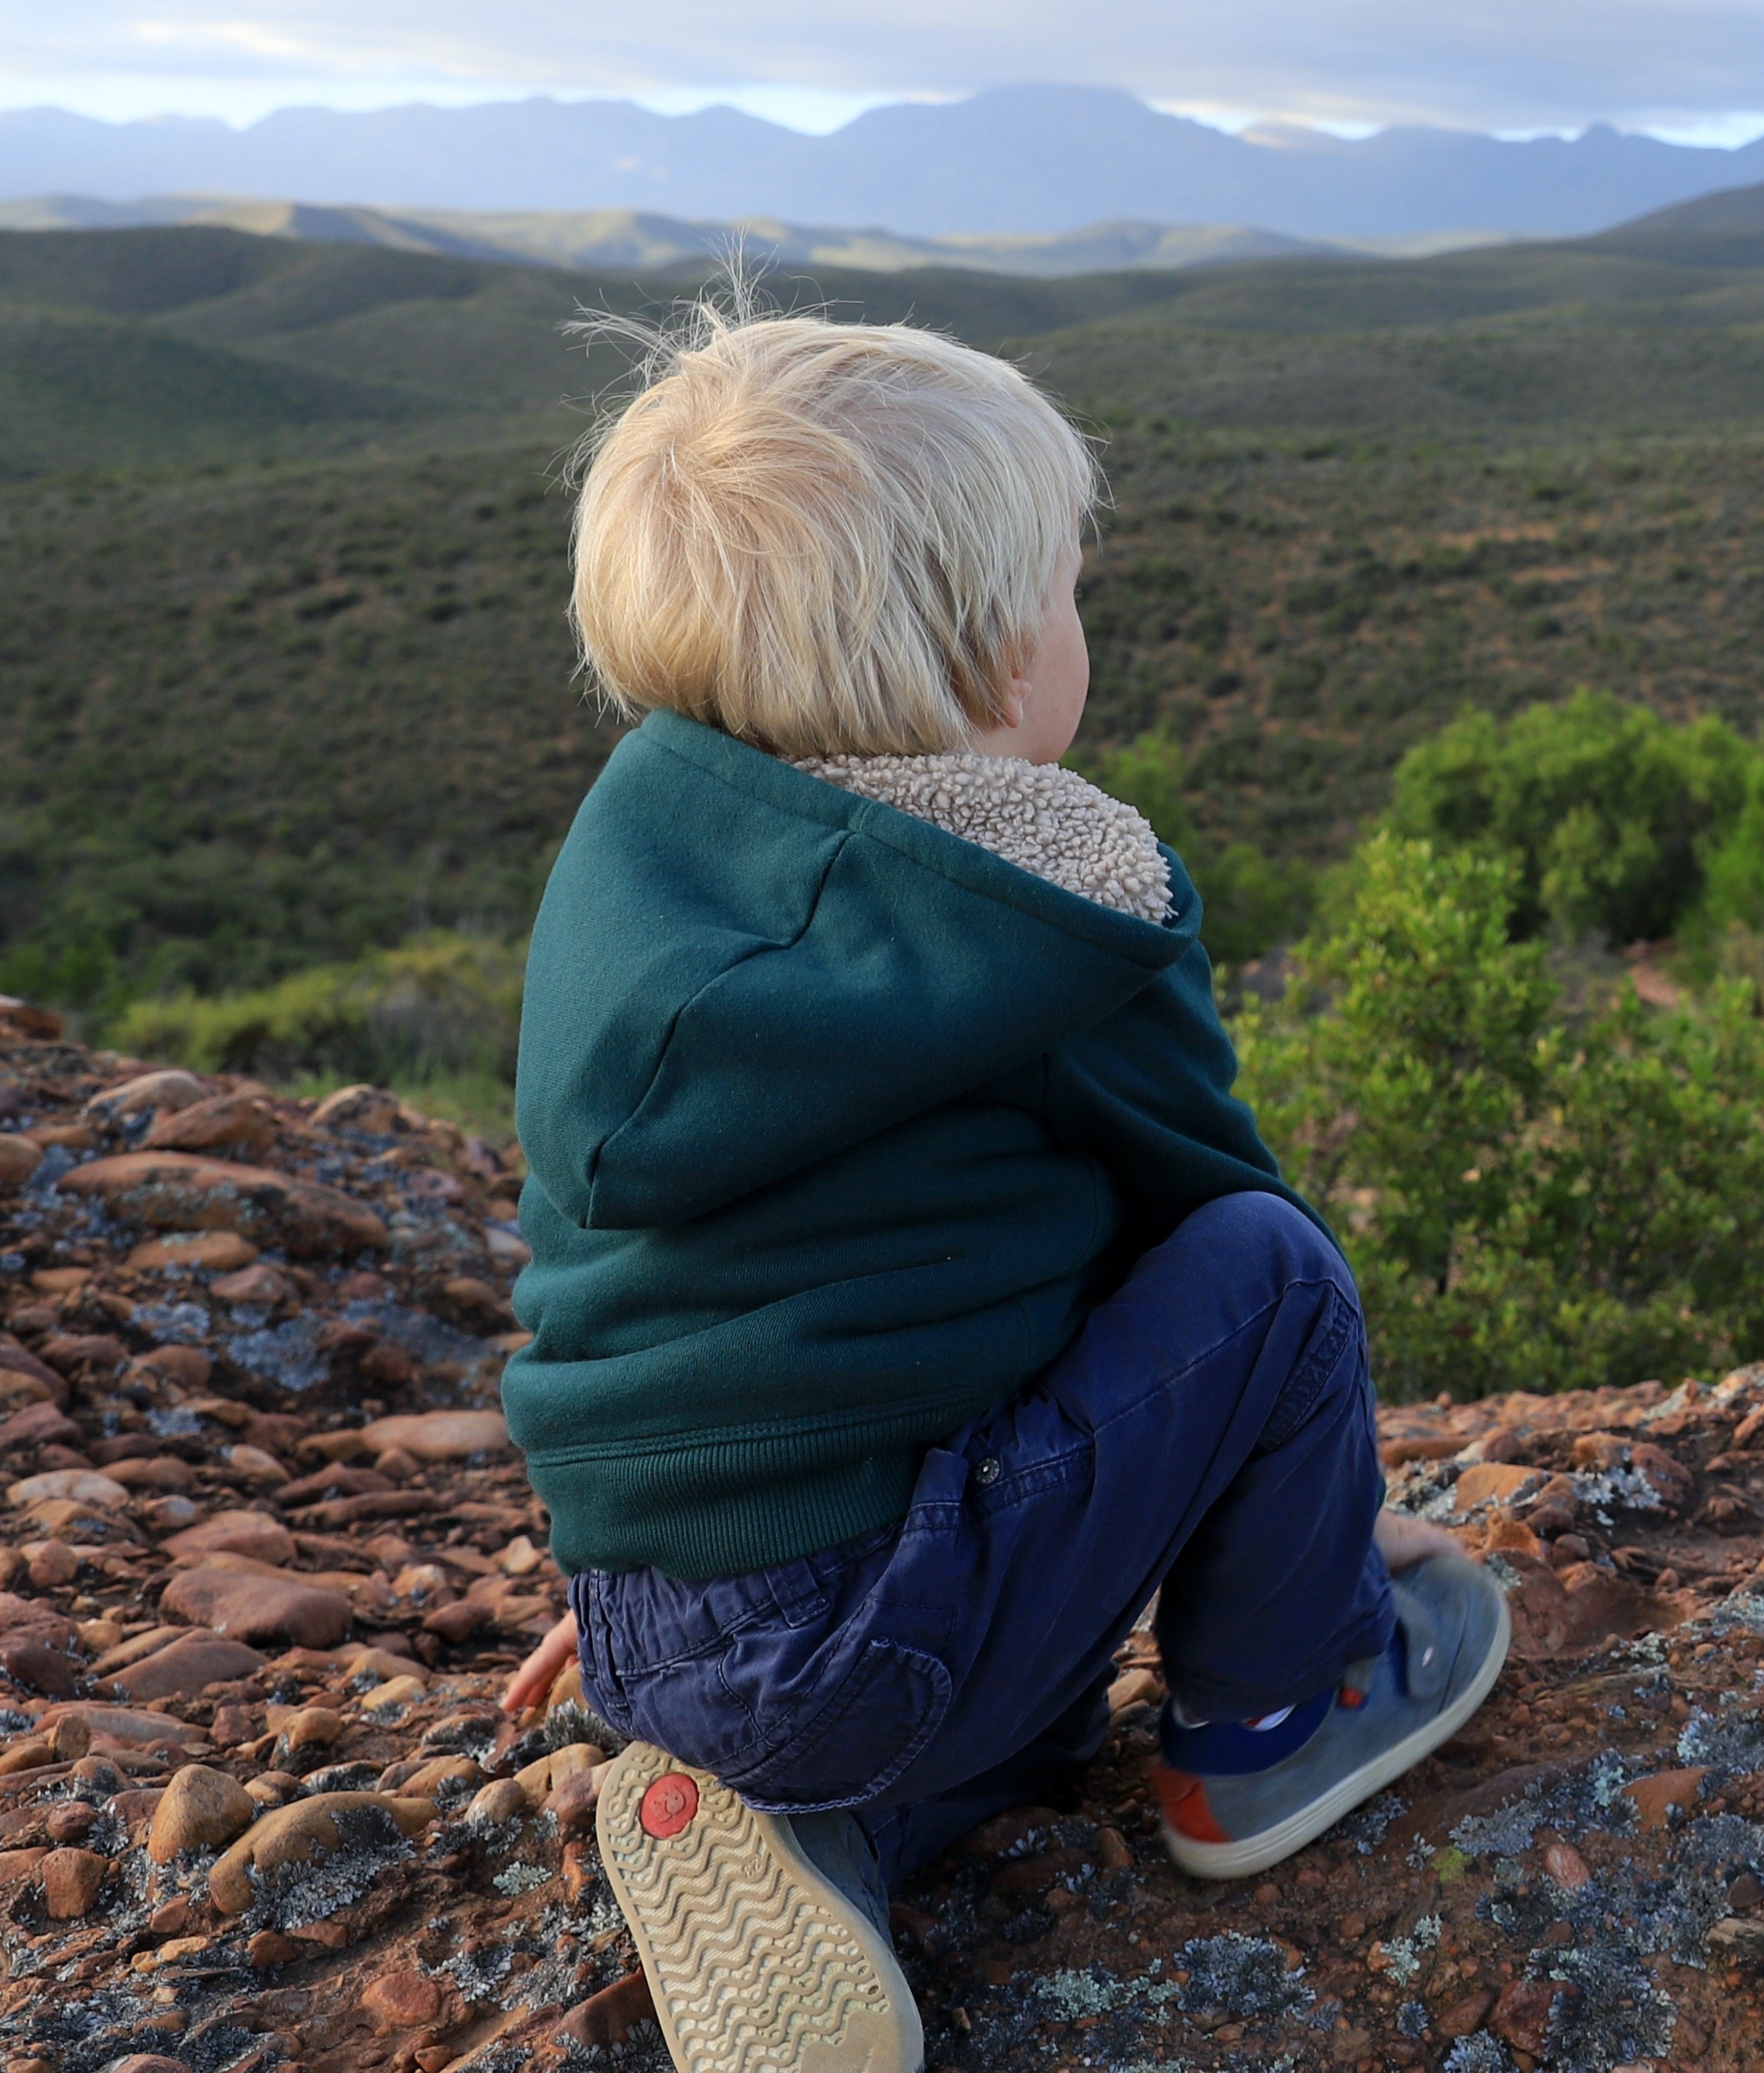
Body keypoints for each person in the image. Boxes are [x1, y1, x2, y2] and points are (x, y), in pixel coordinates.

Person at [495, 300, 1506, 2073]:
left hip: (655, 1613)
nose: (1077, 619)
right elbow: (1209, 1214)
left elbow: (647, 1286)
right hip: (865, 1616)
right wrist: (1319, 1531)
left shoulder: (634, 876)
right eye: (1063, 587)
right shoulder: (1044, 909)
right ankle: (1277, 1722)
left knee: (1008, 1732)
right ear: (987, 665)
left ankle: (814, 1827)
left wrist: (656, 1570)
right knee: (1271, 1270)